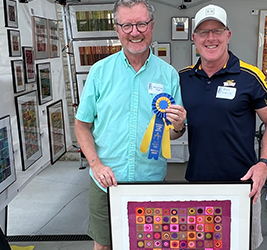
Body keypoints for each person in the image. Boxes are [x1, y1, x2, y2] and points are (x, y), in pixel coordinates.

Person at [74, 1, 186, 249]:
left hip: (152, 182)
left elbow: (174, 133)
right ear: (117, 29)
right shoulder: (99, 72)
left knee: (152, 243)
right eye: (127, 25)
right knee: (104, 245)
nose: (135, 32)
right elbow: (82, 125)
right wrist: (96, 164)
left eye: (141, 24)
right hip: (106, 183)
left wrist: (179, 126)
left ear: (152, 26)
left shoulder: (169, 75)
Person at [179, 4, 267, 249]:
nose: (211, 38)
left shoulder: (251, 76)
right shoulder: (182, 78)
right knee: (200, 244)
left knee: (241, 243)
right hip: (198, 183)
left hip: (242, 185)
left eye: (217, 30)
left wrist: (264, 164)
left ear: (228, 34)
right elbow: (176, 128)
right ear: (194, 38)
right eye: (203, 32)